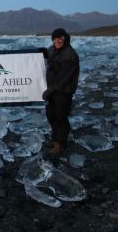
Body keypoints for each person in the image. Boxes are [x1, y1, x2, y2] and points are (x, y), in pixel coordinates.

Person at [42, 28, 80, 157]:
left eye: (60, 38)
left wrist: (50, 90)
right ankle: (55, 138)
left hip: (63, 91)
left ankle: (60, 143)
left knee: (60, 117)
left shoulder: (70, 55)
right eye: (54, 38)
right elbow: (44, 59)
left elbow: (64, 78)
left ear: (65, 38)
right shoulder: (52, 49)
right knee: (50, 115)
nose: (57, 41)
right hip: (52, 90)